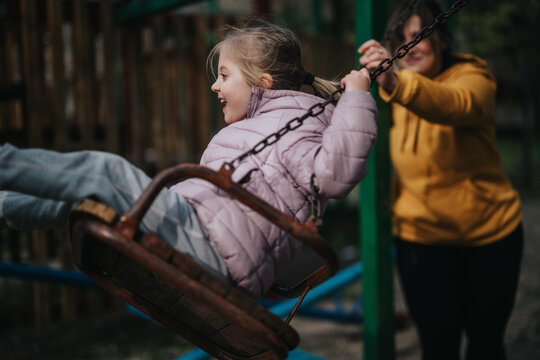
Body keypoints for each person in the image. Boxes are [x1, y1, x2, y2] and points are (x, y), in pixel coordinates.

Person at [0, 21, 378, 299]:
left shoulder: (296, 126)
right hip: (204, 236)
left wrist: (358, 97)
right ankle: (5, 207)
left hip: (214, 247)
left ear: (261, 81)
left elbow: (335, 175)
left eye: (224, 75)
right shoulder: (258, 125)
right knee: (92, 199)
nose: (215, 85)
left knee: (107, 172)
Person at [358, 1, 523, 359]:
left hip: (489, 235)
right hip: (422, 240)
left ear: (442, 38)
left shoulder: (473, 77)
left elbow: (456, 104)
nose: (410, 46)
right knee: (437, 347)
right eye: (401, 38)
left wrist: (396, 82)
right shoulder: (391, 88)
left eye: (418, 35)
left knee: (485, 345)